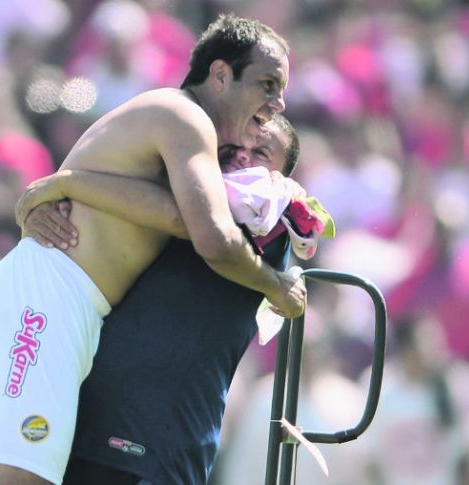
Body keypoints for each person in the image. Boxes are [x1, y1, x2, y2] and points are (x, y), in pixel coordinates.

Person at [0, 14, 305, 485]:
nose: (278, 101)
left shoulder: (186, 130)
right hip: (45, 304)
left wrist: (68, 182)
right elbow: (212, 237)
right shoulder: (185, 117)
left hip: (62, 307)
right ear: (221, 74)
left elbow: (174, 216)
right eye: (267, 84)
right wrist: (278, 287)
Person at [19, 115, 303, 484]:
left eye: (262, 152)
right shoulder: (192, 189)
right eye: (235, 147)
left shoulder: (269, 215)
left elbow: (176, 214)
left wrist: (61, 184)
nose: (243, 157)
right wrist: (43, 206)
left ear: (285, 178)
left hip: (156, 441)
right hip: (97, 424)